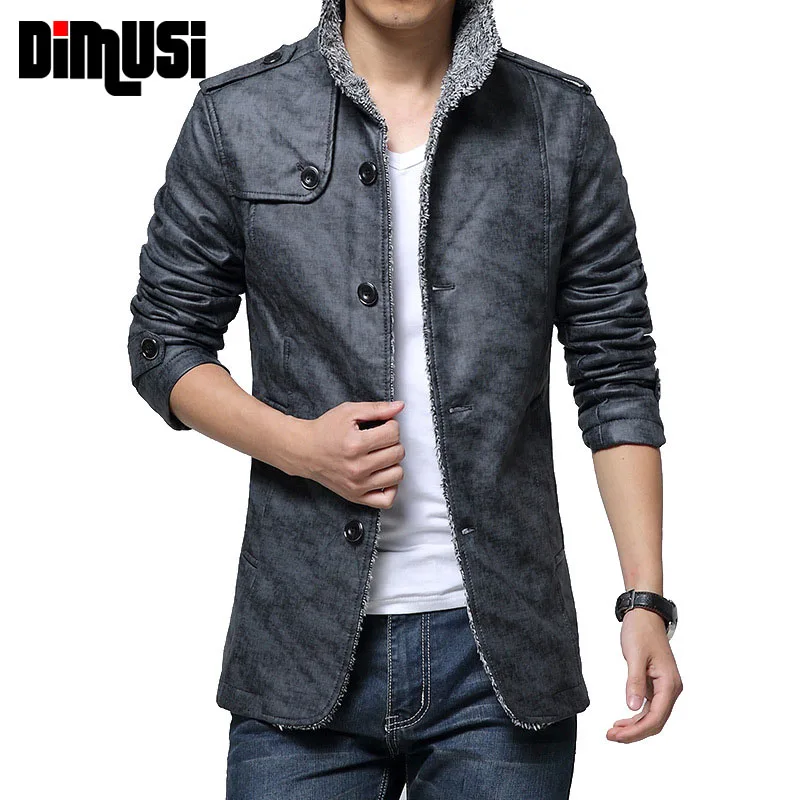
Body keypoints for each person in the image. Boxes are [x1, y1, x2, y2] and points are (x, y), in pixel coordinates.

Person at [127, 0, 683, 796]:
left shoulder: (557, 123)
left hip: (501, 661)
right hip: (297, 645)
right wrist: (299, 448)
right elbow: (164, 342)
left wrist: (645, 600)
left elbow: (616, 369)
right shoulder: (238, 116)